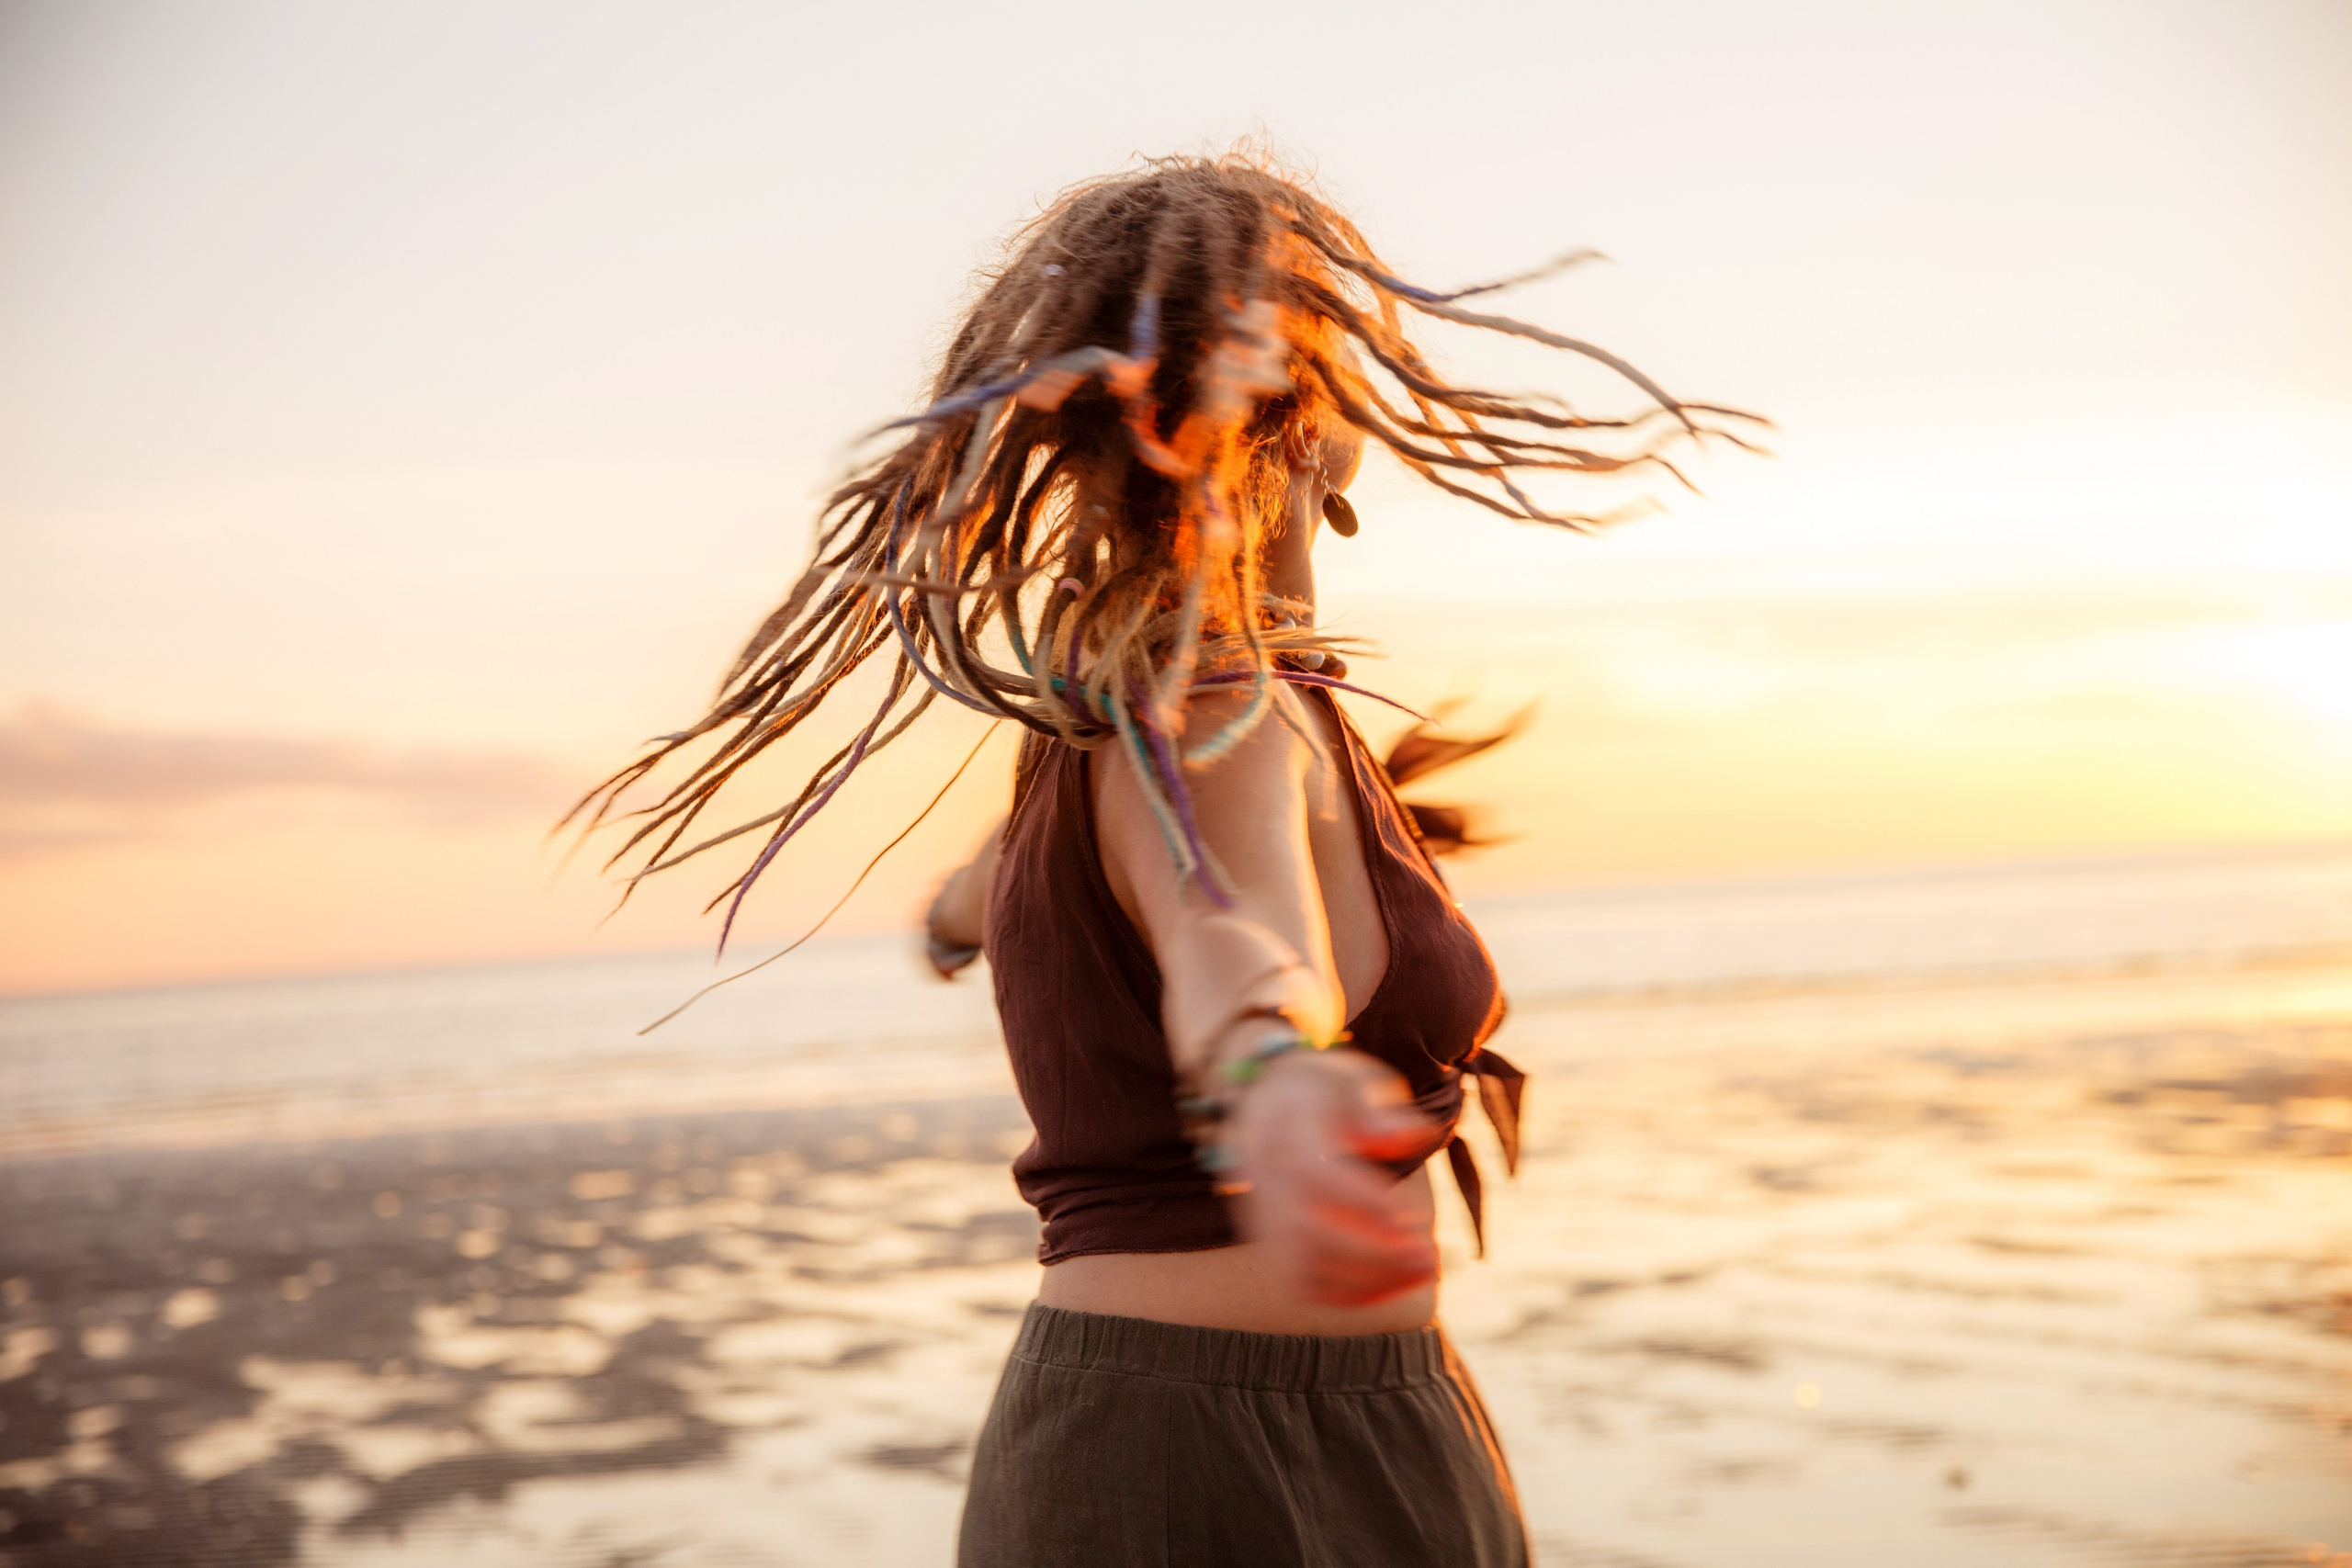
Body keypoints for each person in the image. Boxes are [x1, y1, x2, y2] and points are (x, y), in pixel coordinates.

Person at [571, 153, 1753, 1568]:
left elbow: (1065, 888)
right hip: (1189, 1457)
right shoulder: (1211, 717)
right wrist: (1271, 1076)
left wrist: (966, 914)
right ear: (1314, 415)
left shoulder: (1135, 707)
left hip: (1343, 1416)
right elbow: (1233, 936)